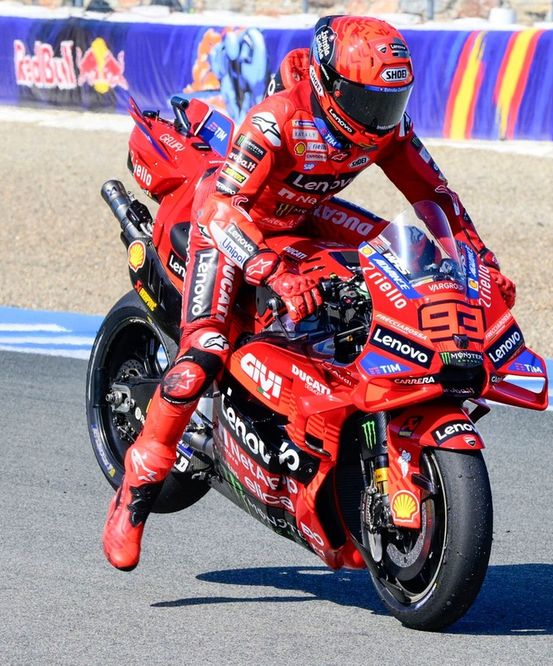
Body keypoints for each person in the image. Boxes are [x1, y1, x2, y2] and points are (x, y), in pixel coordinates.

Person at [102, 15, 516, 571]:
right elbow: (222, 209)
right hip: (227, 227)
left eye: (391, 102)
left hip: (301, 218)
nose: (380, 117)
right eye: (368, 101)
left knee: (401, 252)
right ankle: (134, 493)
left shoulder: (386, 128)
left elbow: (435, 195)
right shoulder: (277, 122)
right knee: (200, 358)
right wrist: (271, 270)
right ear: (329, 84)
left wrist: (479, 261)